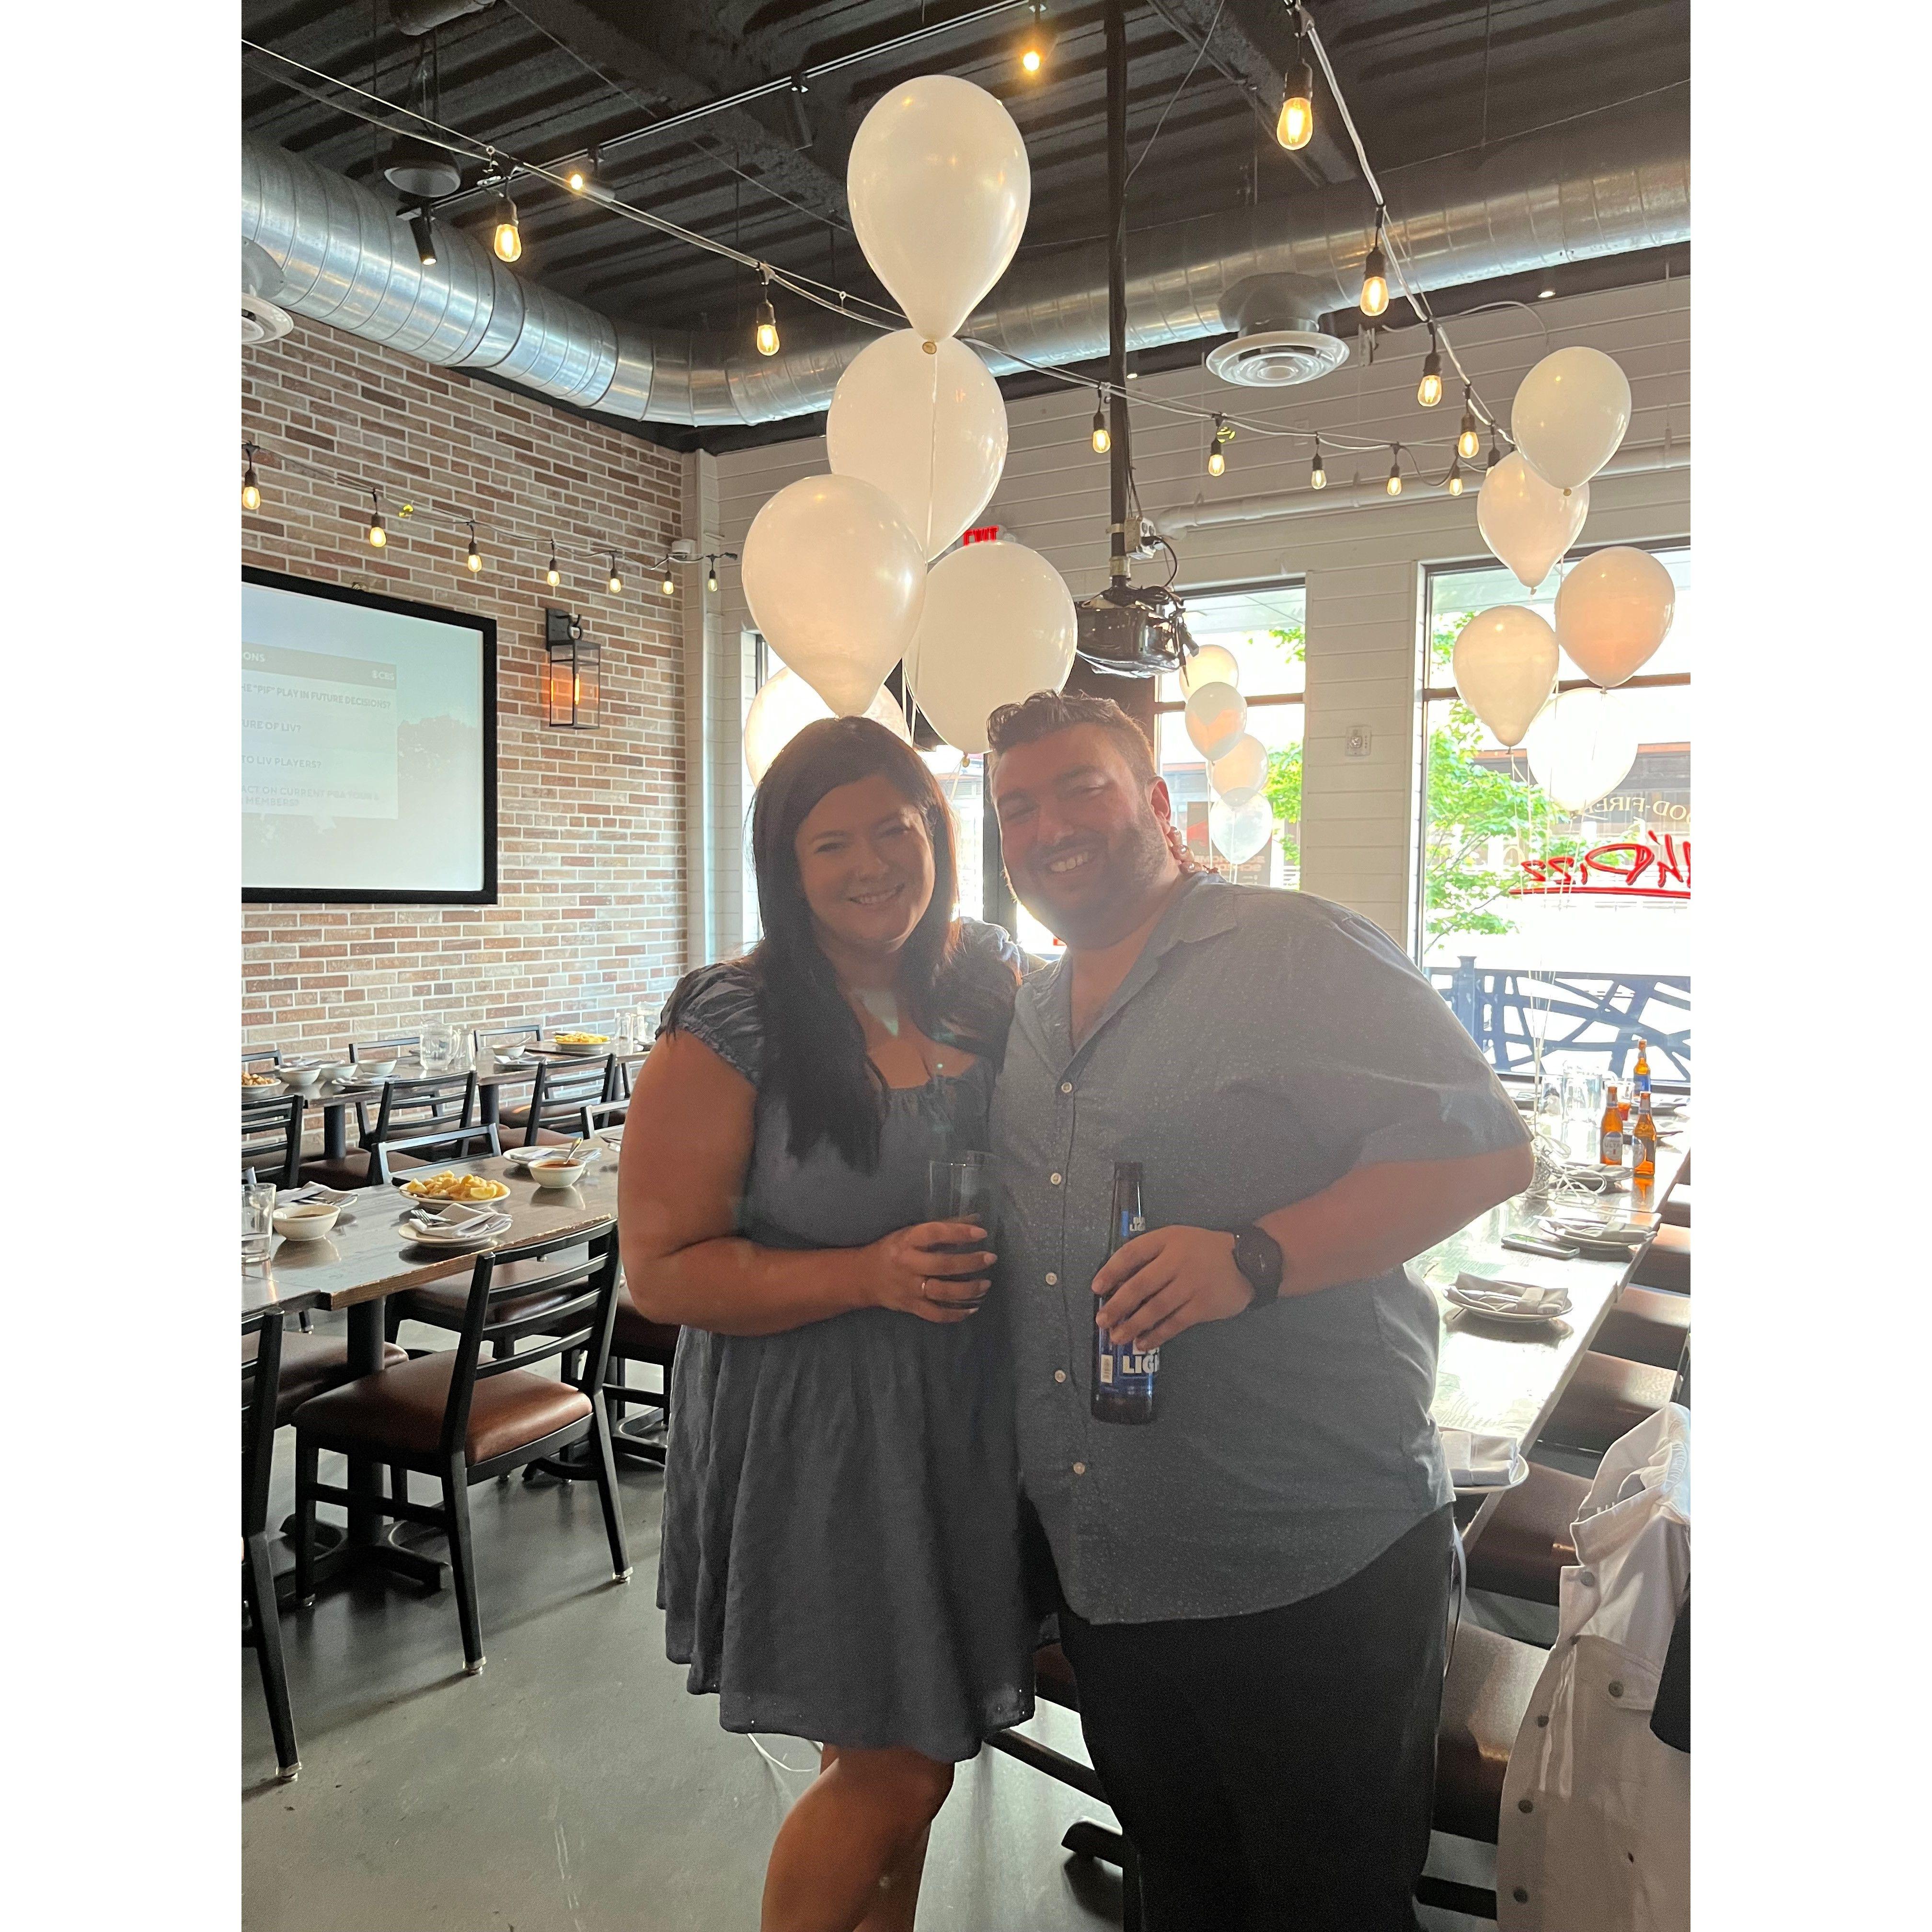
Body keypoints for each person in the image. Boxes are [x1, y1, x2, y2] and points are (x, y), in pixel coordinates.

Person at [983, 688, 1534, 1932]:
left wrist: (1256, 1258)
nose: (1049, 826)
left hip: (1307, 1558)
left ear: (1158, 803)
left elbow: (1483, 1149)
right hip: (1114, 1567)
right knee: (1183, 1891)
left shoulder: (1293, 949)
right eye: (1017, 807)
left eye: (1082, 788)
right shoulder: (1027, 1010)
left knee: (1326, 1907)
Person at [618, 715, 1035, 1932]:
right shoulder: (733, 1019)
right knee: (901, 1768)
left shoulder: (985, 976)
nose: (871, 866)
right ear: (785, 868)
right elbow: (661, 1273)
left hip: (963, 1421)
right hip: (817, 1436)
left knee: (891, 1750)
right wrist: (868, 1274)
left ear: (936, 832)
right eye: (830, 844)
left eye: (894, 830)